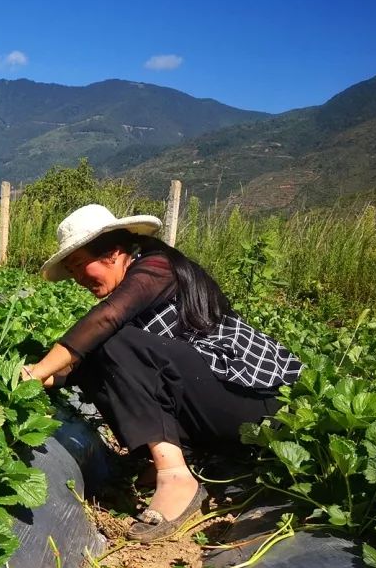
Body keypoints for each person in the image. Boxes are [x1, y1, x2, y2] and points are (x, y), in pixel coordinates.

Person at [23, 204, 302, 542]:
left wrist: (39, 371)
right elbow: (87, 366)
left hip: (256, 403)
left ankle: (176, 476)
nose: (79, 279)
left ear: (112, 252)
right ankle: (171, 459)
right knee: (99, 355)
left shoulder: (157, 267)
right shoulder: (131, 284)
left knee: (110, 339)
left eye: (81, 265)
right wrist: (44, 378)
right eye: (72, 270)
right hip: (216, 401)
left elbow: (106, 320)